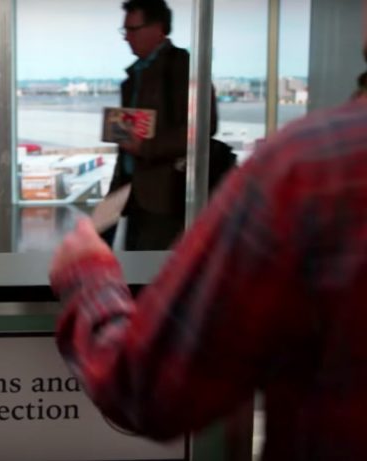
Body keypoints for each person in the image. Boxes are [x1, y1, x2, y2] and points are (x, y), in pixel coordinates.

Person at [50, 56, 367, 458]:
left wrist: (87, 276)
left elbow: (153, 387)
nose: (126, 36)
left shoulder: (310, 165)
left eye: (132, 27)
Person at [104, 0, 217, 250]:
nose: (127, 38)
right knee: (136, 273)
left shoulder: (183, 68)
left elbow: (203, 127)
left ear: (158, 29)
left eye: (133, 30)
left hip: (167, 199)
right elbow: (127, 148)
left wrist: (145, 147)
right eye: (125, 31)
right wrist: (110, 204)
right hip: (134, 197)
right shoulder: (135, 76)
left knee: (154, 275)